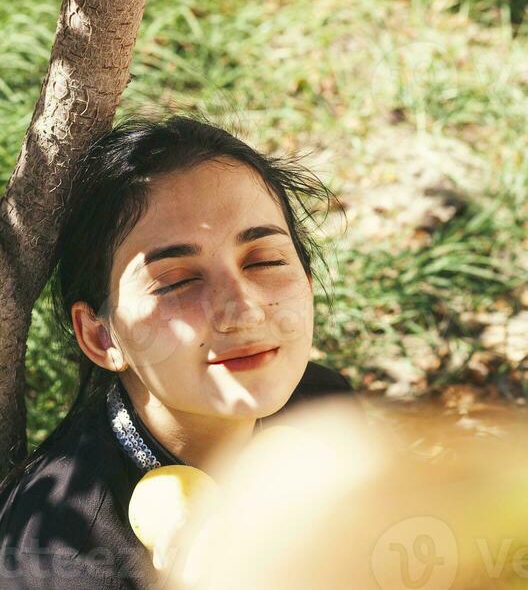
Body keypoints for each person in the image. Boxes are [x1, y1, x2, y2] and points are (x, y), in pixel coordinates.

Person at [0, 115, 357, 589]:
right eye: (178, 281)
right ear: (102, 337)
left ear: (307, 282)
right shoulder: (62, 562)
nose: (243, 311)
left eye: (266, 260)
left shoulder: (324, 408)